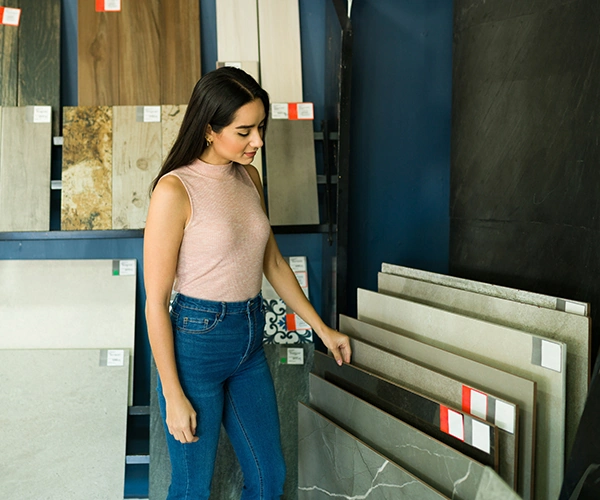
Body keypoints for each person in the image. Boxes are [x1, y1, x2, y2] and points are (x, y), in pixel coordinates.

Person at [143, 66, 352, 500]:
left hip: (250, 340)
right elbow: (155, 301)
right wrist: (172, 393)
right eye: (244, 131)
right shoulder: (175, 190)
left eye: (260, 128)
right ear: (208, 129)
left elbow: (272, 262)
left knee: (268, 476)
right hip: (196, 345)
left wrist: (321, 327)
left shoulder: (249, 177)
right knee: (191, 487)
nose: (257, 142)